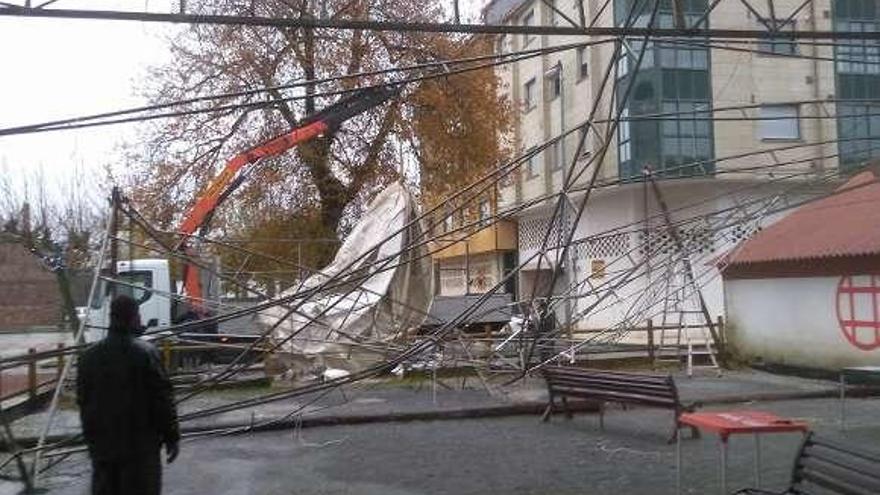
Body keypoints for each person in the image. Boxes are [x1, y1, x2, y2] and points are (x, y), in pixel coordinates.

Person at [77, 295, 180, 495]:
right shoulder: (146, 353)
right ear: (134, 317)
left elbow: (83, 401)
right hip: (140, 448)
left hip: (104, 448)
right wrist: (171, 436)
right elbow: (162, 400)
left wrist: (92, 441)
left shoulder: (88, 357)